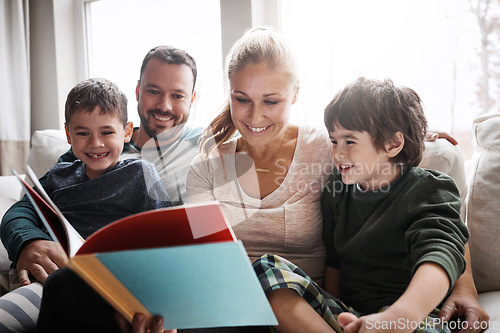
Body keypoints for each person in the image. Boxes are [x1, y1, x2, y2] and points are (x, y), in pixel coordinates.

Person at [130, 28, 489, 333]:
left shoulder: (326, 150)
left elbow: (438, 224)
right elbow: (201, 254)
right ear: (229, 93)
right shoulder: (207, 166)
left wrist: (413, 138)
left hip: (310, 311)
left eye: (271, 101)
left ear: (295, 95)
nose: (255, 115)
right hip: (239, 305)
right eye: (242, 99)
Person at [0, 46, 199, 332]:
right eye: (154, 91)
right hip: (58, 276)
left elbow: (172, 234)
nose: (165, 105)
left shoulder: (204, 152)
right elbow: (24, 208)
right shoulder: (73, 163)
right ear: (138, 91)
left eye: (177, 95)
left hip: (125, 283)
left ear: (192, 99)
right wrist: (28, 241)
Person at [252, 77, 470, 333]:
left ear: (393, 144)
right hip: (351, 315)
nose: (336, 153)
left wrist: (403, 314)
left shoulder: (429, 189)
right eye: (334, 141)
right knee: (267, 268)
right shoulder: (337, 190)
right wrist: (341, 312)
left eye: (350, 141)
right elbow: (334, 262)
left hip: (412, 317)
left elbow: (441, 252)